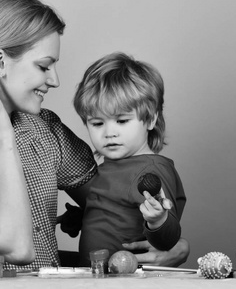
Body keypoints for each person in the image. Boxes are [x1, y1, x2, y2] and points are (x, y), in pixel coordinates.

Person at [0, 0, 188, 270]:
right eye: (44, 66)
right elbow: (16, 248)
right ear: (0, 62)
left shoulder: (46, 129)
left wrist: (174, 245)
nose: (55, 80)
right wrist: (3, 138)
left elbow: (116, 204)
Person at [72, 52, 186, 266]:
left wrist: (158, 220)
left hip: (127, 279)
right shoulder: (114, 165)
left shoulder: (150, 171)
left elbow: (169, 238)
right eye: (97, 124)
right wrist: (83, 217)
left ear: (150, 119)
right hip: (96, 276)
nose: (109, 133)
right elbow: (119, 213)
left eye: (122, 121)